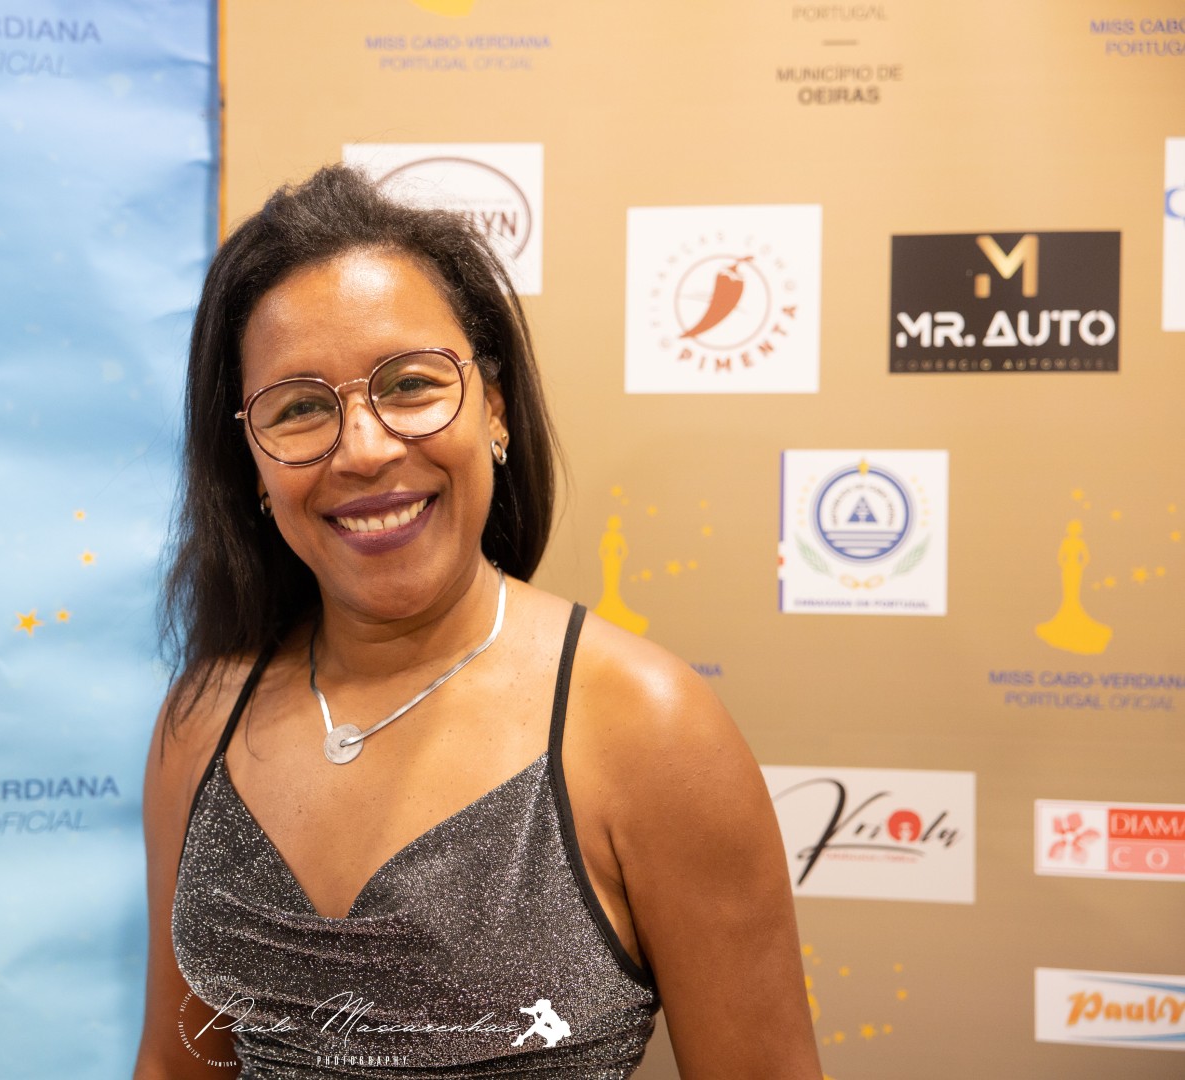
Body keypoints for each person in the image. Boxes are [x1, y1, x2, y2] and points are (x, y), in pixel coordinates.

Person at [134, 165, 819, 1078]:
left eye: (410, 385)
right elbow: (173, 1064)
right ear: (252, 461)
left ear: (493, 407)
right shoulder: (203, 722)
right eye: (298, 408)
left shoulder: (647, 728)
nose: (364, 449)